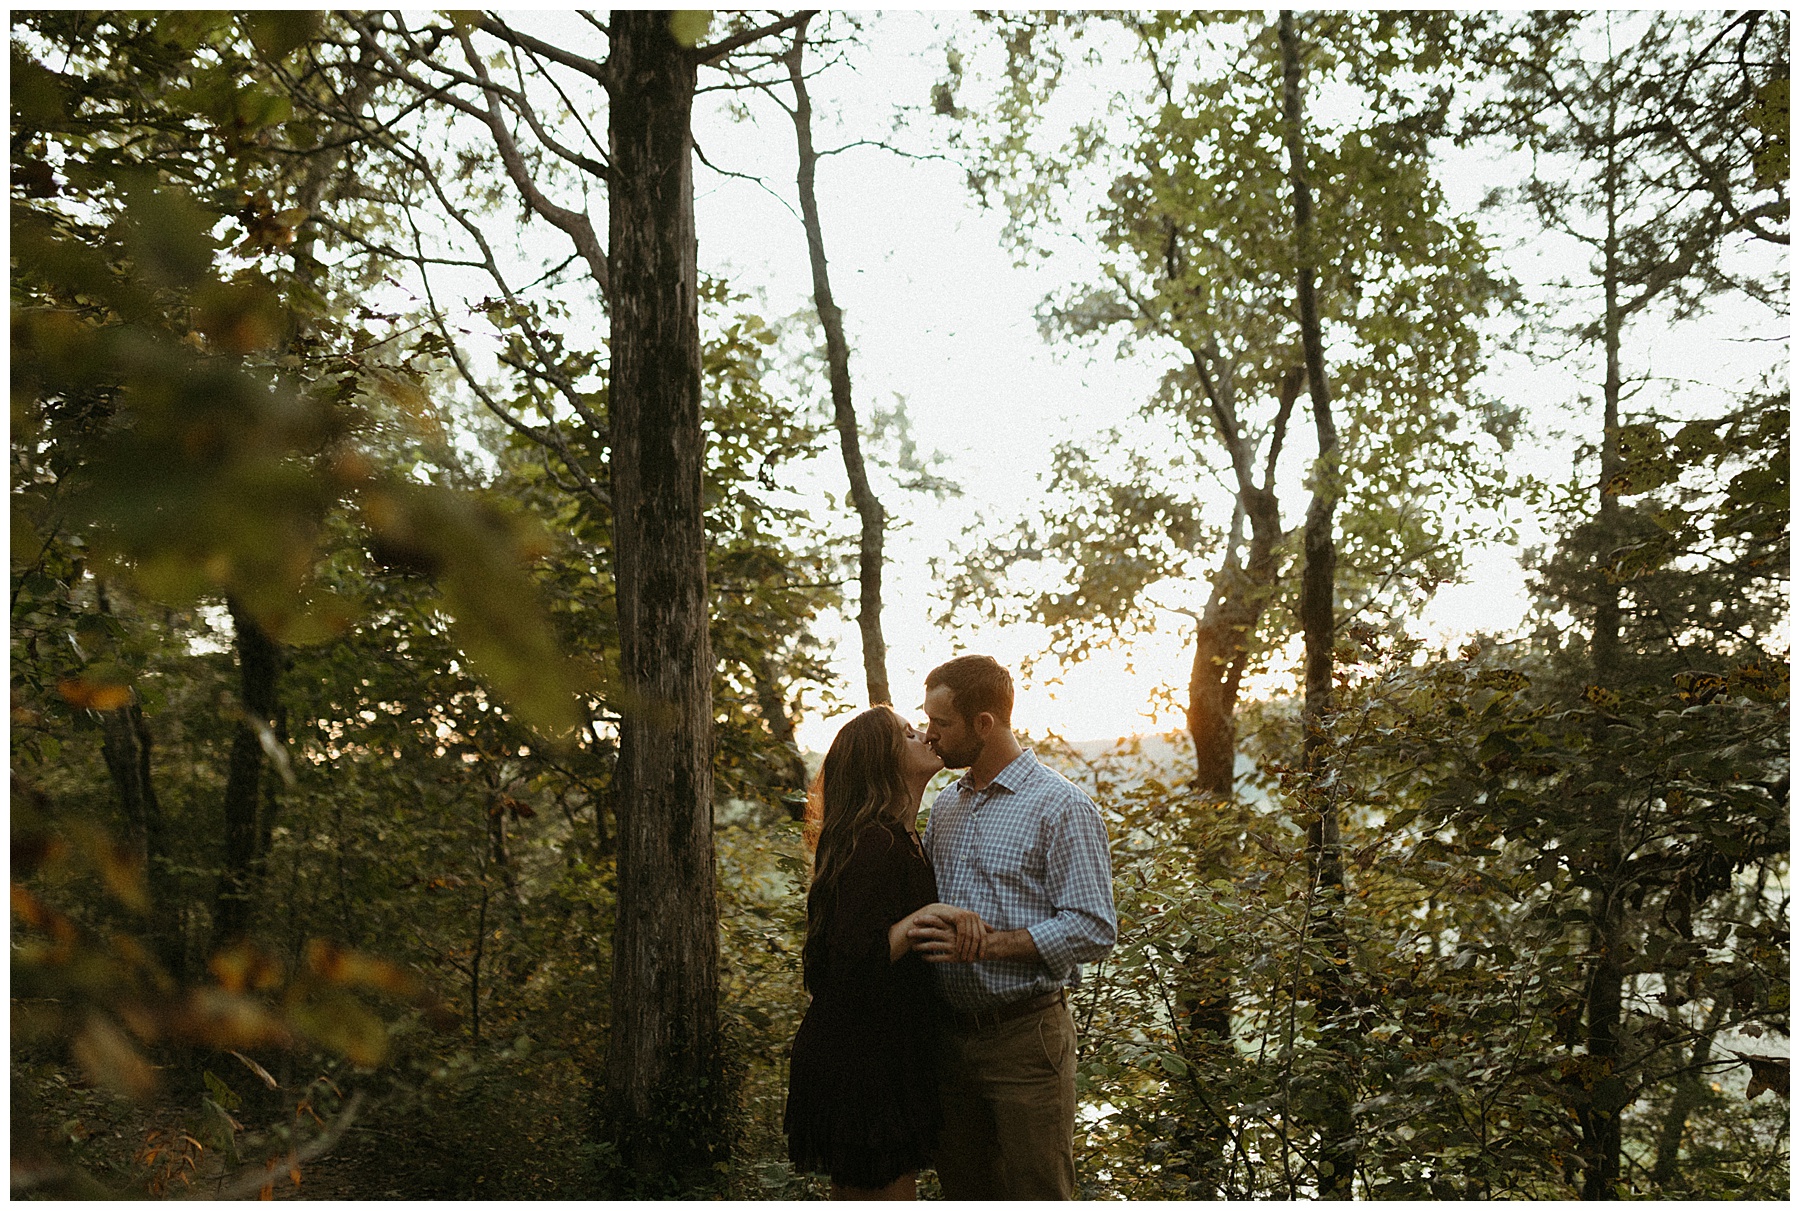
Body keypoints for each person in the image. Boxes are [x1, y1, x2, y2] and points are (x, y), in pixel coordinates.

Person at [907, 655, 1118, 1200]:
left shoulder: (1062, 806)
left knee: (1038, 1190)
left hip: (1026, 1040)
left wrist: (989, 946)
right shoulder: (947, 806)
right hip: (948, 1039)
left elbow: (1094, 928)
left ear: (984, 723)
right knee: (967, 1192)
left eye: (941, 723)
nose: (930, 736)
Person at [784, 706, 985, 1200]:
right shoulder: (873, 841)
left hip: (890, 1051)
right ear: (883, 759)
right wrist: (923, 918)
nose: (924, 735)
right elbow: (842, 969)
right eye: (907, 733)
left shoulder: (905, 836)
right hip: (860, 1060)